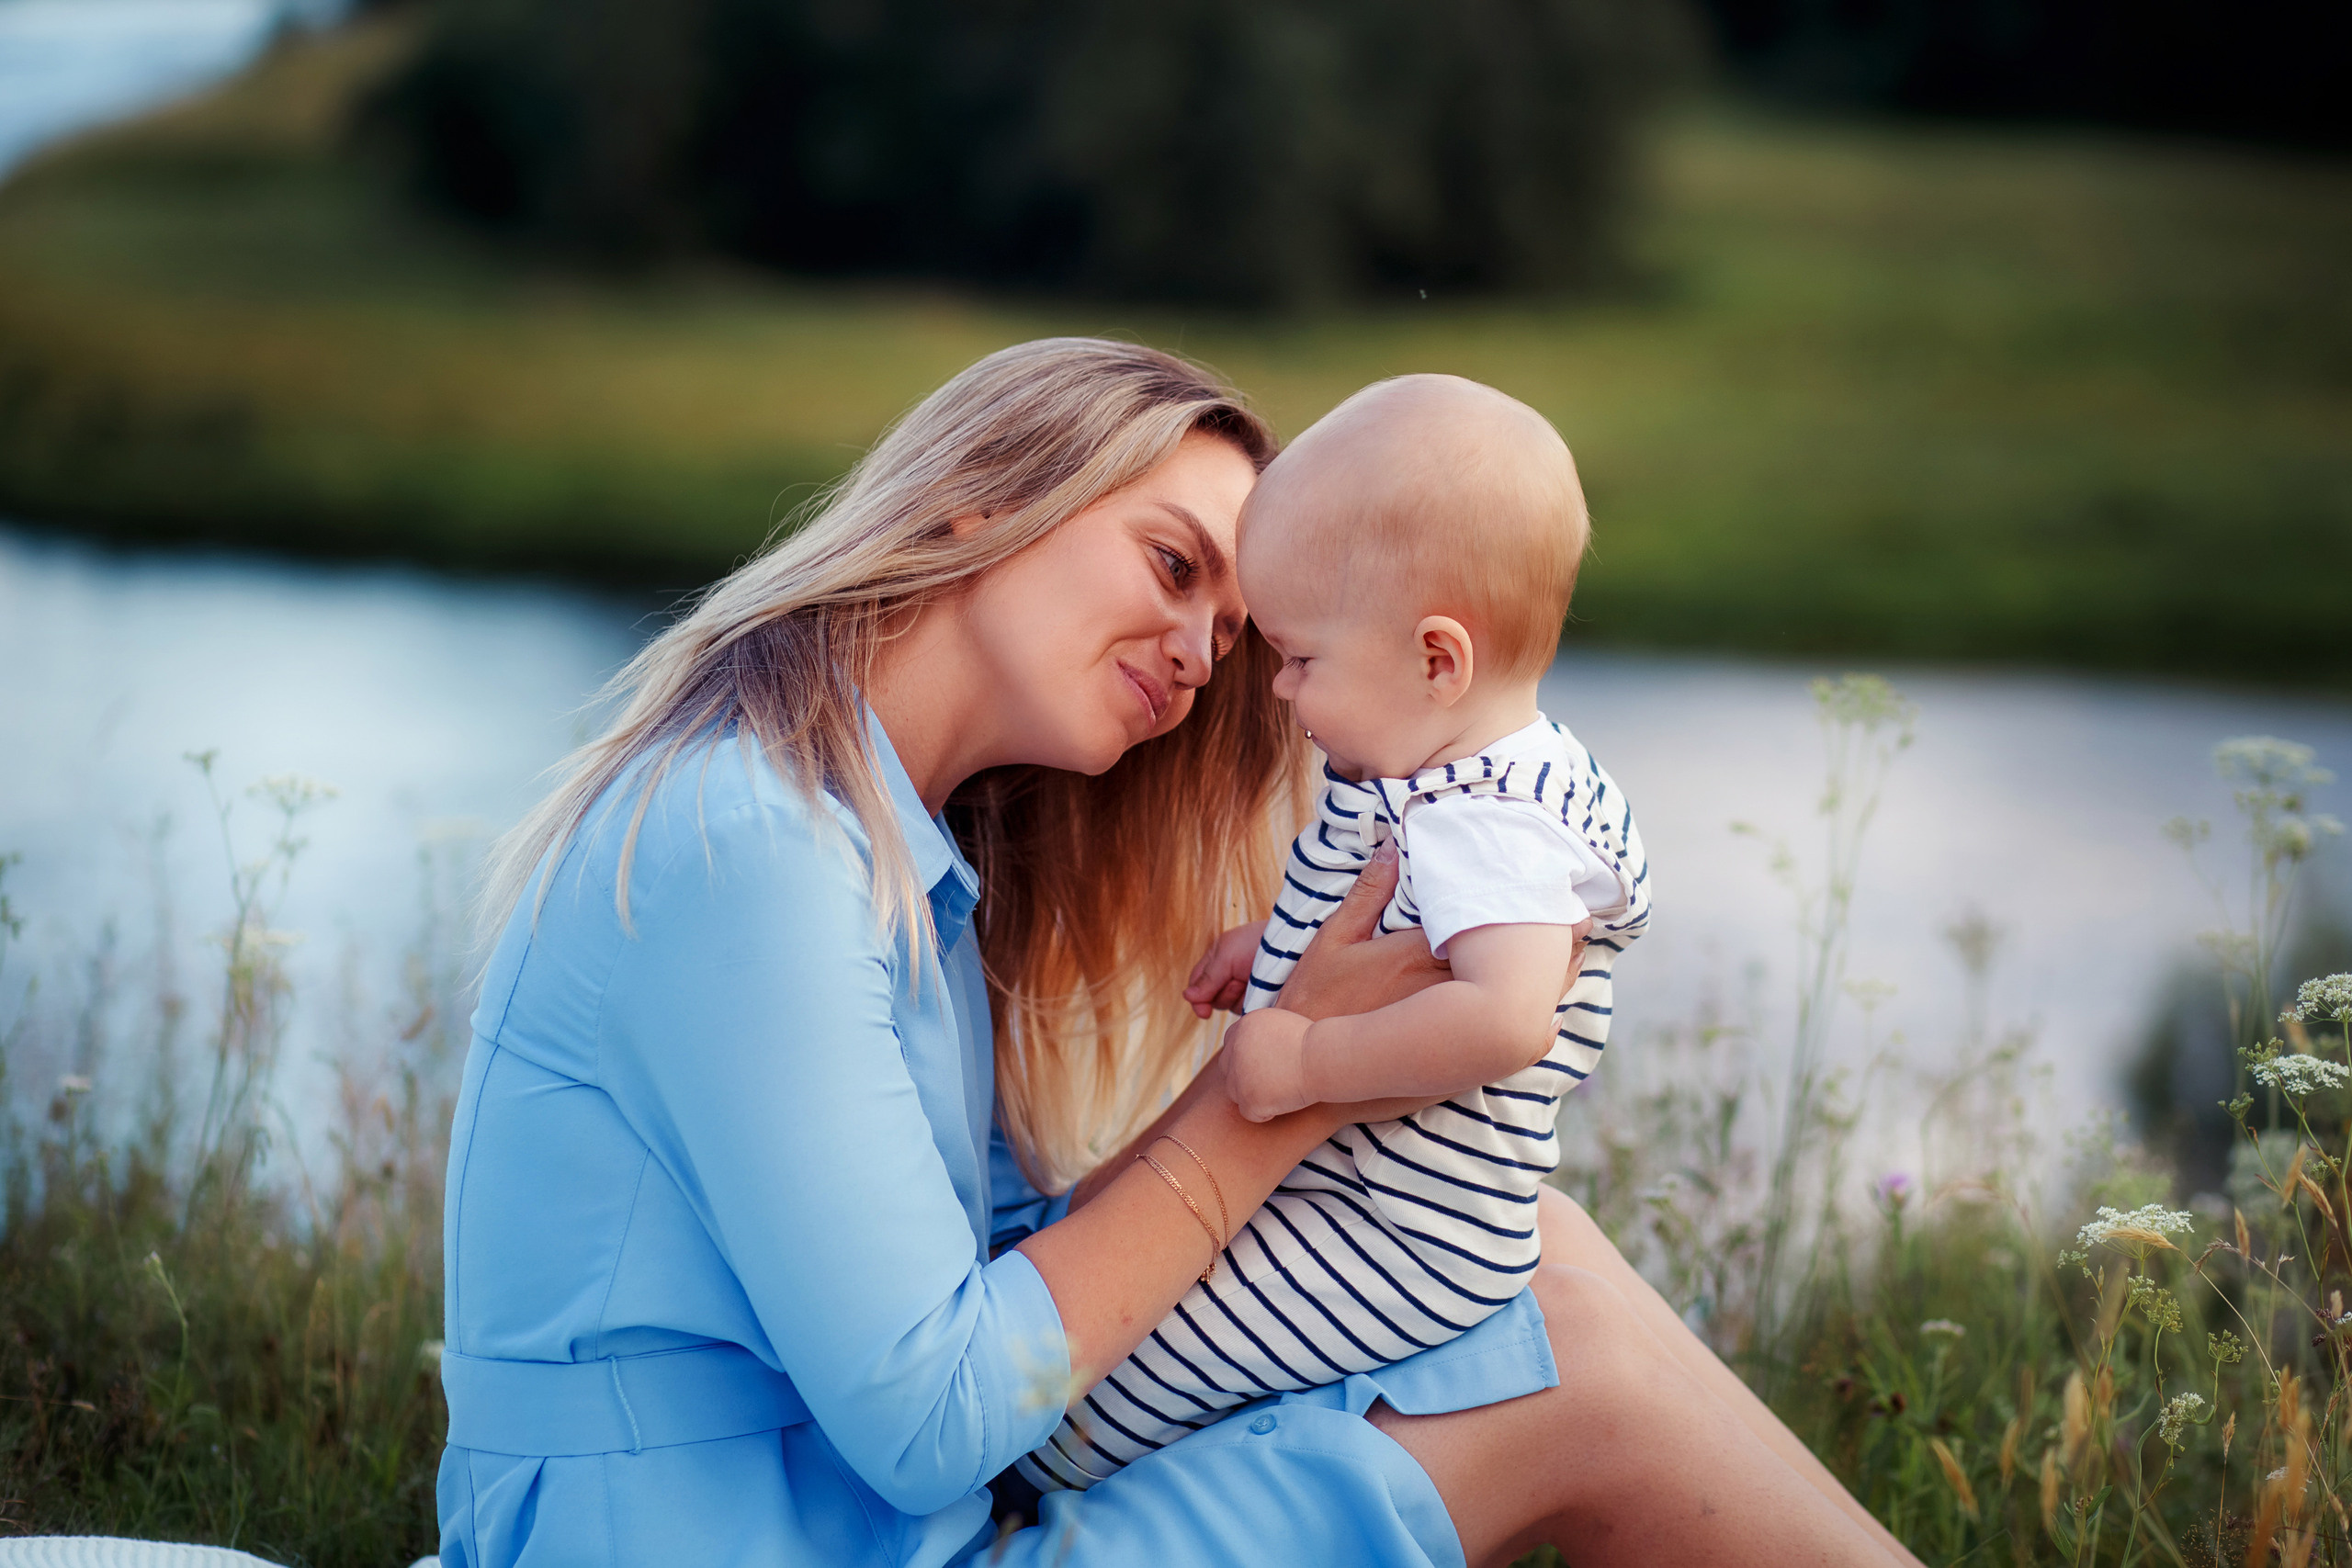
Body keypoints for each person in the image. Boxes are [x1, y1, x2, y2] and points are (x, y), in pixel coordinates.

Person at [435, 336, 1924, 1568]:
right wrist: (1283, 1087)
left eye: (1236, 621)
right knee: (1568, 1361)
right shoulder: (745, 845)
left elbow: (986, 1298)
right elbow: (937, 1414)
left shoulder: (880, 845)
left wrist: (1302, 1068)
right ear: (977, 500)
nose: (1207, 653)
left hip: (851, 1529)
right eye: (1171, 564)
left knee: (1533, 1266)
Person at [1018, 375, 1653, 1492]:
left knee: (1149, 1367)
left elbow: (1503, 1017)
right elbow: (1402, 922)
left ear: (1436, 659)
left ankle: (1032, 1484)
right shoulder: (1428, 770)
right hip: (1347, 1186)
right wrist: (1267, 944)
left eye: (1300, 658)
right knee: (1152, 1293)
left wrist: (1308, 1057)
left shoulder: (1494, 823)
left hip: (1397, 1233)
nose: (1272, 688)